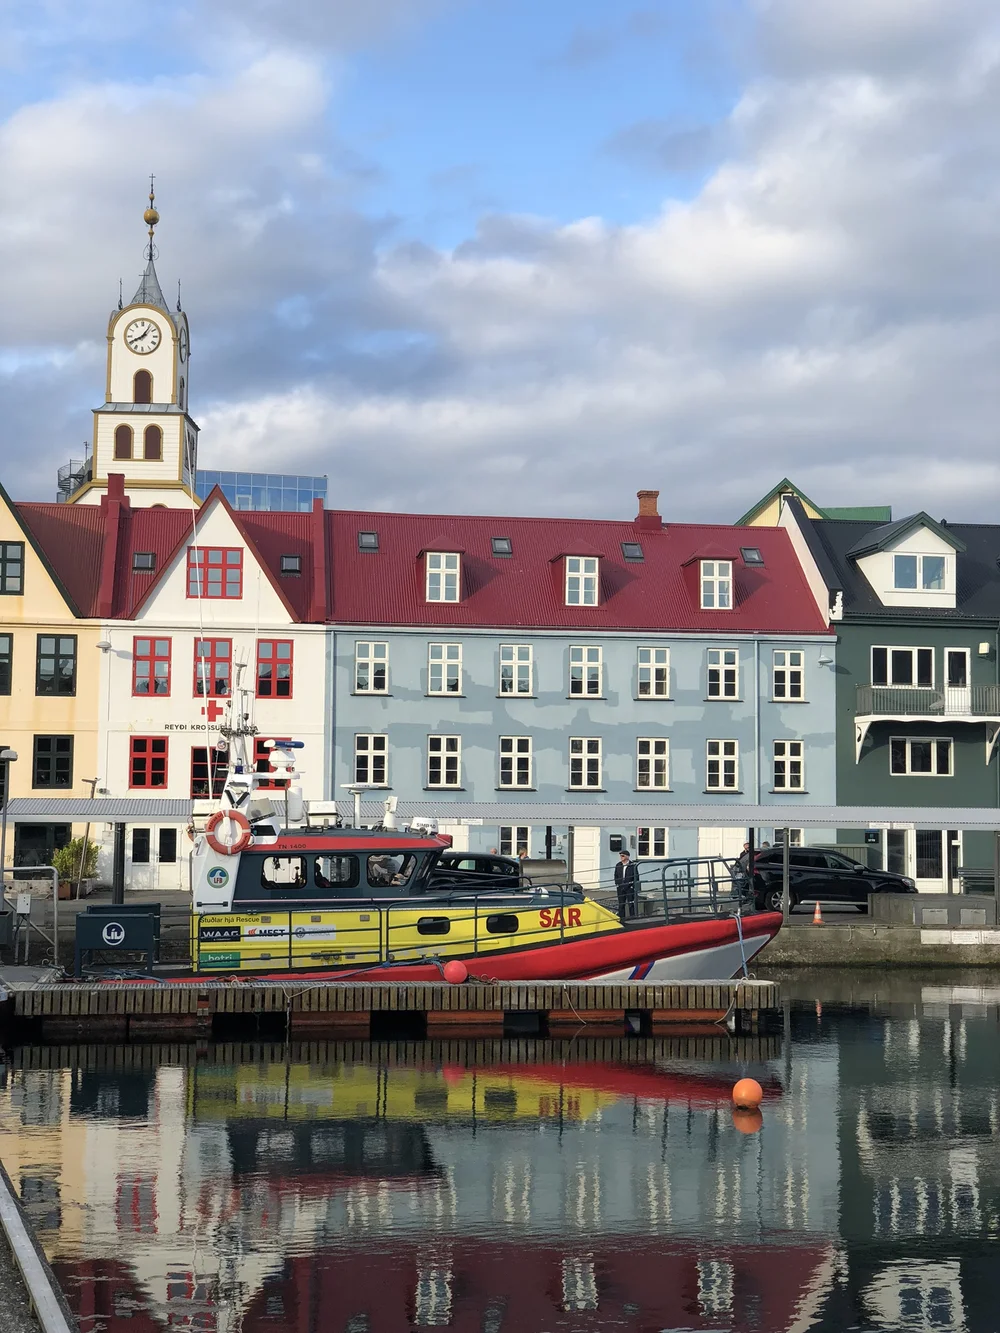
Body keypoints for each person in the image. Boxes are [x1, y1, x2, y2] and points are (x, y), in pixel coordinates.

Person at [614, 850, 639, 920]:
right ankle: (622, 918)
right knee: (621, 904)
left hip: (629, 887)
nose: (621, 857)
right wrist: (617, 884)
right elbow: (616, 875)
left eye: (623, 856)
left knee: (631, 903)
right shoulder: (618, 865)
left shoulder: (632, 865)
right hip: (620, 887)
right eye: (620, 856)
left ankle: (633, 918)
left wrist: (632, 886)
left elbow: (636, 876)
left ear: (627, 856)